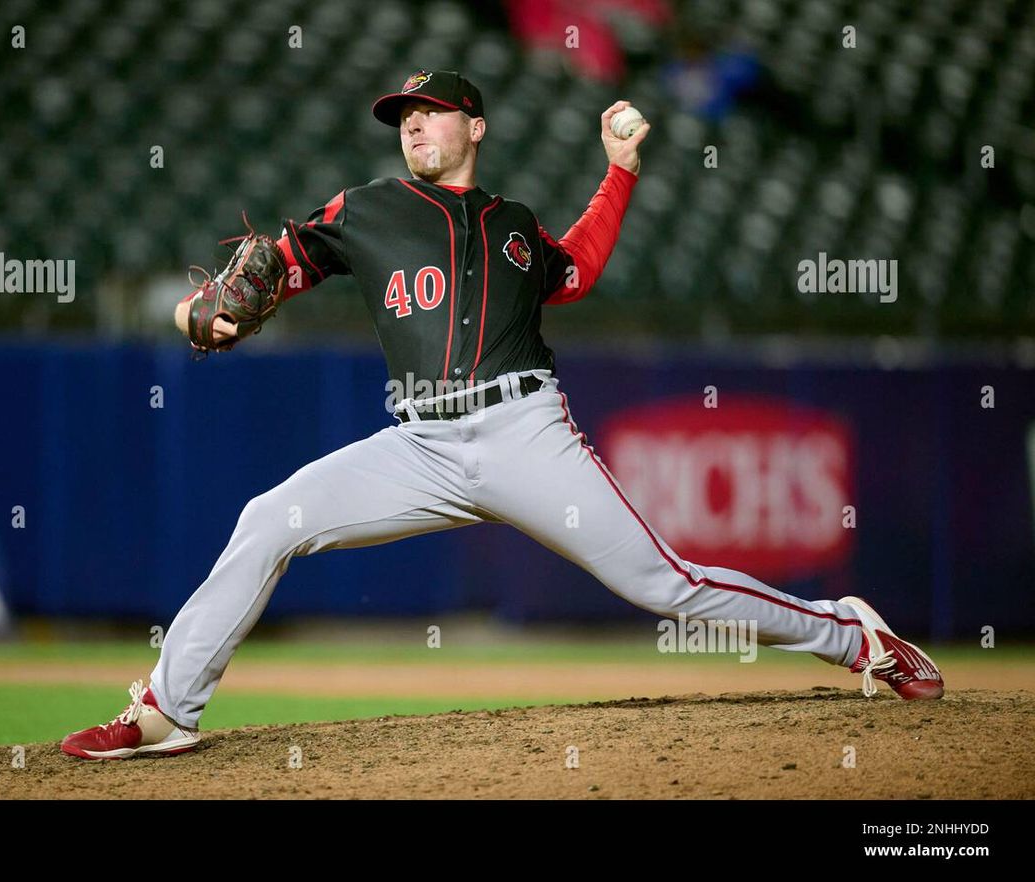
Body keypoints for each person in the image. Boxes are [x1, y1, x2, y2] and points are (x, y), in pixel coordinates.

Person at [61, 70, 943, 761]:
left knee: (662, 584)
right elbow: (274, 263)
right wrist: (201, 311)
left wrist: (621, 172)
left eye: (430, 109)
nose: (411, 123)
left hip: (527, 435)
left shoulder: (515, 226)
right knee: (270, 519)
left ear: (474, 127)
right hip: (420, 443)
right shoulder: (367, 209)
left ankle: (852, 636)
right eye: (402, 113)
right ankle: (166, 713)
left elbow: (579, 269)